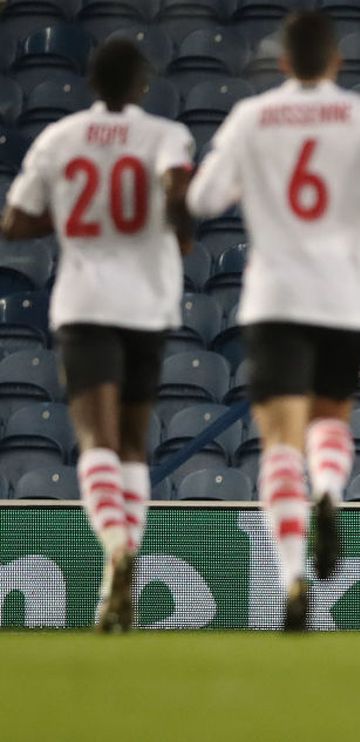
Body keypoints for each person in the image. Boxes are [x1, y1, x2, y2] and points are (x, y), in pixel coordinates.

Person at [186, 11, 360, 631]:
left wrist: (249, 187)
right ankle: (329, 489)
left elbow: (203, 199)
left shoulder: (253, 116)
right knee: (329, 418)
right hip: (344, 294)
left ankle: (293, 575)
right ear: (337, 60)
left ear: (285, 62)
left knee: (278, 441)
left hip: (275, 295)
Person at [0, 40, 195, 633]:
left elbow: (12, 222)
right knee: (134, 441)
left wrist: (70, 212)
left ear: (91, 82)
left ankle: (115, 544)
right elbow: (178, 195)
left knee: (96, 440)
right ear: (141, 85)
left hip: (84, 305)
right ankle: (122, 561)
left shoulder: (59, 139)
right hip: (147, 306)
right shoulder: (166, 135)